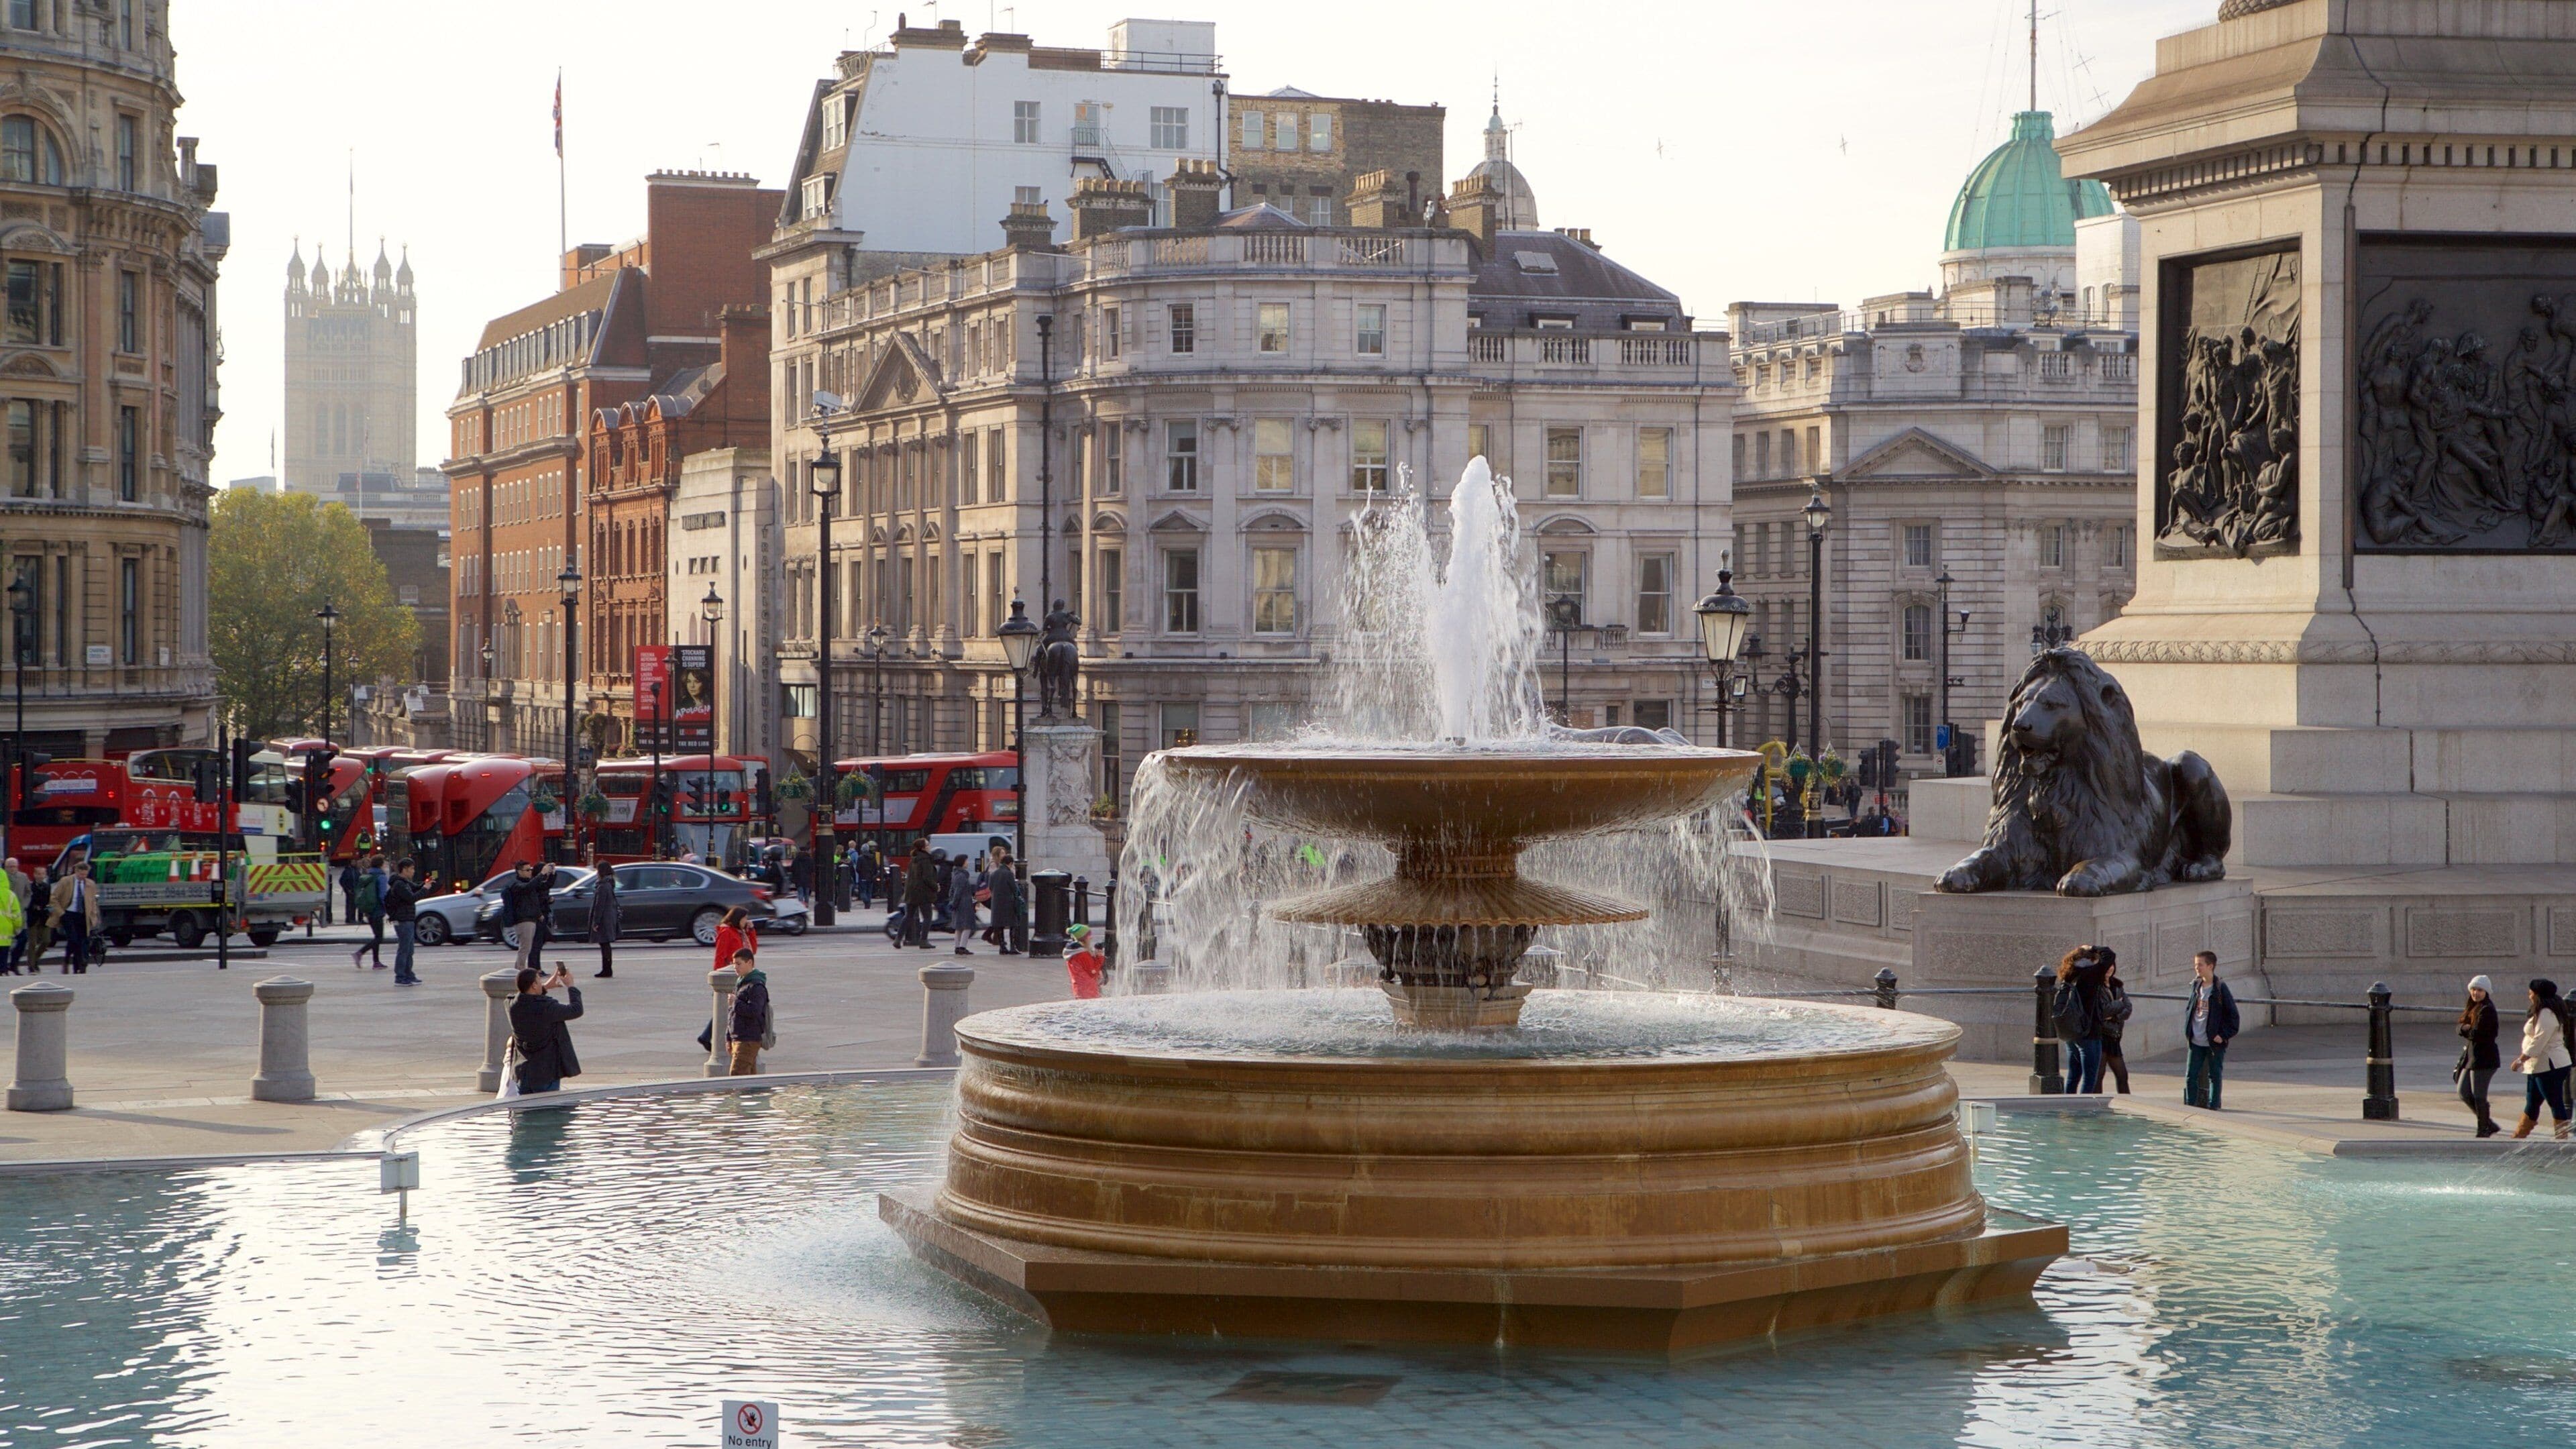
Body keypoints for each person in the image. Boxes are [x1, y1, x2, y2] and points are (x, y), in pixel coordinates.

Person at [2512, 977, 2576, 1139]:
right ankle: (2519, 1136)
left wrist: (2521, 1059)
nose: (2529, 995)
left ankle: (2562, 1140)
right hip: (2537, 1066)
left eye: (2531, 993)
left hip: (2550, 1066)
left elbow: (2539, 1040)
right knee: (2532, 1102)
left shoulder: (2547, 1014)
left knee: (2555, 1101)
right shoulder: (2542, 1011)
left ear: (2539, 995)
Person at [507, 963, 584, 1094]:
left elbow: (526, 997)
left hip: (524, 1071)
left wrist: (545, 987)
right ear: (534, 985)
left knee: (526, 1111)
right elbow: (576, 1010)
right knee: (547, 1110)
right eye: (539, 981)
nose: (541, 983)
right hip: (546, 1072)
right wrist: (571, 986)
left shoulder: (511, 1005)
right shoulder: (546, 1007)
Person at [2183, 949, 2239, 1110]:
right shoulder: (2196, 986)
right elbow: (2190, 1009)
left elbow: (2234, 1017)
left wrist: (2223, 1036)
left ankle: (2214, 1107)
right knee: (2191, 1075)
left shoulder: (2220, 989)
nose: (2197, 968)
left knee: (2214, 1075)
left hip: (2214, 1042)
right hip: (2195, 1040)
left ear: (2210, 966)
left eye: (2200, 965)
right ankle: (2190, 1106)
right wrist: (2188, 1031)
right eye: (2196, 965)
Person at [2053, 946, 2109, 1094]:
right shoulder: (2090, 973)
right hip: (2089, 1031)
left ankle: (2068, 1107)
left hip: (2072, 1031)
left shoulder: (2070, 974)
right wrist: (2093, 948)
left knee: (2073, 1075)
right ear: (2090, 959)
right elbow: (2110, 955)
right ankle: (2083, 1111)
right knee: (2090, 1077)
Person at [2459, 974, 2502, 1138]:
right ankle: (2488, 1123)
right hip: (2471, 1057)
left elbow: (2477, 1033)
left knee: (2479, 1096)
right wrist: (2465, 1028)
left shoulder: (2487, 1010)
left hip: (2484, 1059)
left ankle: (2483, 1128)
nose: (2476, 993)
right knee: (2463, 1092)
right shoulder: (2473, 1007)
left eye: (2480, 990)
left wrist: (2464, 1029)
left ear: (2486, 992)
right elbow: (2461, 1026)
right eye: (2474, 989)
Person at [504, 860, 557, 974]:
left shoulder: (529, 883)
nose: (530, 872)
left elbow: (535, 899)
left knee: (528, 947)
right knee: (525, 948)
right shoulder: (517, 884)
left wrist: (553, 874)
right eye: (527, 870)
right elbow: (528, 888)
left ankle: (520, 971)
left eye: (531, 870)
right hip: (524, 919)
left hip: (532, 918)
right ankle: (520, 973)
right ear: (519, 871)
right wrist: (541, 874)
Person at [48, 859, 98, 973]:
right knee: (73, 939)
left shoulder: (90, 884)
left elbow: (93, 901)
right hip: (68, 914)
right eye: (81, 874)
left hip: (83, 915)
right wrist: (61, 913)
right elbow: (53, 898)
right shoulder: (66, 881)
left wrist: (93, 916)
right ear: (76, 871)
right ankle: (68, 961)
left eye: (85, 875)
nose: (82, 877)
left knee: (83, 941)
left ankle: (79, 966)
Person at [2098, 947, 2135, 1095]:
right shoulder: (2097, 987)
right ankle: (2096, 1109)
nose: (2110, 969)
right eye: (2107, 966)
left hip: (2114, 1036)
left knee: (2122, 1075)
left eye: (2112, 965)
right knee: (2098, 1076)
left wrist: (2114, 1016)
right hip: (2101, 1035)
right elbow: (2103, 1011)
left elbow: (2128, 1008)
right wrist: (2117, 1006)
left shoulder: (2118, 985)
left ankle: (2128, 1106)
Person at [727, 947, 769, 1075]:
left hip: (748, 1038)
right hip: (739, 1037)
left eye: (739, 964)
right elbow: (732, 1015)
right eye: (734, 964)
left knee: (737, 1075)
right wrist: (728, 1037)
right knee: (749, 1077)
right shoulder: (742, 983)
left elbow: (754, 1011)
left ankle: (740, 1095)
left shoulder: (756, 986)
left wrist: (735, 1003)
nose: (735, 967)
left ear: (750, 963)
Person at [385, 858, 423, 986]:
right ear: (405, 869)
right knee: (404, 949)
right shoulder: (399, 884)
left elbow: (417, 887)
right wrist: (425, 889)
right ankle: (400, 976)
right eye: (412, 869)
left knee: (409, 949)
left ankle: (408, 974)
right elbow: (411, 898)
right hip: (403, 920)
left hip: (408, 919)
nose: (413, 871)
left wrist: (427, 885)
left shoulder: (404, 882)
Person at [351, 854, 388, 970]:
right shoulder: (381, 877)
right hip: (377, 910)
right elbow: (382, 896)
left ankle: (376, 962)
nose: (386, 865)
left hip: (369, 910)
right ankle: (360, 953)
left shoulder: (369, 875)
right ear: (381, 864)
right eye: (385, 863)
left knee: (377, 936)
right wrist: (388, 908)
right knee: (379, 938)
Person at [985, 849, 1024, 956]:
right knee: (1013, 925)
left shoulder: (994, 874)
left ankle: (1002, 947)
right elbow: (1014, 888)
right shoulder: (1009, 874)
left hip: (997, 902)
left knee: (999, 925)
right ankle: (1013, 947)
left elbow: (990, 887)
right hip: (1009, 902)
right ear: (1010, 863)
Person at [587, 865, 621, 979]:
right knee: (605, 944)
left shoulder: (603, 886)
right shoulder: (609, 884)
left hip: (604, 919)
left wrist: (596, 922)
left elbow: (599, 905)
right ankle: (607, 969)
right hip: (608, 917)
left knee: (604, 944)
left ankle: (606, 969)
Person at [902, 848, 938, 949]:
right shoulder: (925, 860)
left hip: (913, 893)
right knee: (927, 917)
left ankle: (898, 939)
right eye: (928, 845)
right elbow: (927, 878)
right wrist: (936, 887)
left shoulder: (913, 860)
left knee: (908, 916)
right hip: (923, 894)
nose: (930, 847)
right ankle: (923, 940)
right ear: (923, 847)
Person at [947, 850, 979, 955]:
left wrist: (952, 902)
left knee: (959, 927)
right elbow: (958, 891)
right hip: (964, 903)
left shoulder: (956, 875)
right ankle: (962, 947)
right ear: (962, 862)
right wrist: (955, 902)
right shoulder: (962, 876)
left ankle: (957, 947)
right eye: (966, 861)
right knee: (967, 926)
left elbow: (952, 890)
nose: (967, 863)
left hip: (960, 903)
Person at [1064, 922, 1104, 999]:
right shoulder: (1082, 954)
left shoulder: (1074, 953)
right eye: (1089, 935)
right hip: (1088, 989)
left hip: (1080, 988)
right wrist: (1099, 958)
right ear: (1084, 938)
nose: (1091, 937)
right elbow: (1093, 972)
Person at [712, 905, 754, 975]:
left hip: (744, 970)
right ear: (738, 918)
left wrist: (752, 931)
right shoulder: (726, 932)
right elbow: (720, 955)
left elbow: (753, 950)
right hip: (731, 971)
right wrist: (718, 974)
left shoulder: (741, 933)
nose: (746, 921)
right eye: (744, 918)